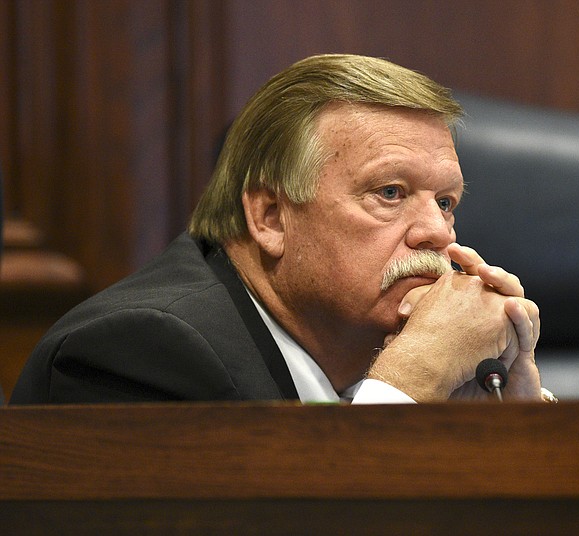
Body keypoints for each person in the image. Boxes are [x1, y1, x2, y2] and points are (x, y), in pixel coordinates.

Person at [11, 54, 548, 405]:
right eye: (390, 193)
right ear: (270, 217)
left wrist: (511, 430)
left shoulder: (350, 349)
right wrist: (410, 382)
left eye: (447, 201)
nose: (437, 232)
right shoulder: (139, 354)